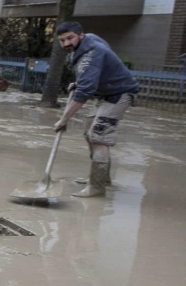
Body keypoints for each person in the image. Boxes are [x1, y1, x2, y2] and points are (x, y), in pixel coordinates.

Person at [53, 21, 139, 198]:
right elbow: (99, 68)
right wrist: (82, 81)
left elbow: (83, 94)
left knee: (99, 137)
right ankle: (101, 178)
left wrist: (63, 120)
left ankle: (97, 188)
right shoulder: (90, 40)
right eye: (62, 40)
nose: (66, 43)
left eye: (70, 38)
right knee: (89, 133)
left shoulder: (89, 56)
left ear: (80, 35)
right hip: (104, 94)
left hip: (119, 95)